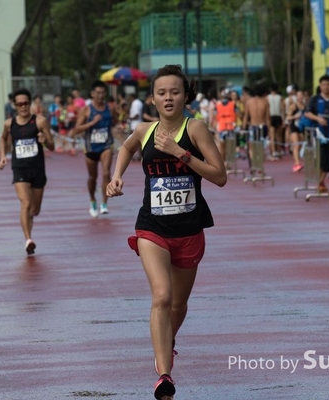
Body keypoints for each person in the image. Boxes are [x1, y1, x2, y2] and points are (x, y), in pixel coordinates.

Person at [106, 64, 226, 400]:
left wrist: (180, 153)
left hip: (189, 230)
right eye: (162, 93)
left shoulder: (196, 128)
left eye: (175, 91)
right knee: (162, 296)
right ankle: (164, 376)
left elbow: (220, 176)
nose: (168, 97)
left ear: (185, 95)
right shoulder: (144, 130)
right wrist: (117, 177)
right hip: (152, 227)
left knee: (178, 304)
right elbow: (127, 148)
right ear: (153, 98)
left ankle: (166, 345)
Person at [0, 88, 55, 256]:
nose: (23, 106)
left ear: (30, 104)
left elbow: (52, 145)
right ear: (14, 105)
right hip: (19, 168)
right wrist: (2, 156)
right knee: (25, 203)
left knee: (34, 210)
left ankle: (29, 223)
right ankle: (28, 239)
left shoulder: (40, 121)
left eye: (26, 103)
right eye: (19, 104)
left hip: (37, 169)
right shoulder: (9, 124)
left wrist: (45, 142)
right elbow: (2, 138)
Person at [74, 80, 117, 217]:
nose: (100, 96)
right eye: (98, 93)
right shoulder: (86, 110)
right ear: (92, 94)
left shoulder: (110, 108)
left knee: (106, 173)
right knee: (93, 177)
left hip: (106, 145)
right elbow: (77, 129)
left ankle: (104, 203)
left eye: (103, 93)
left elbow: (114, 122)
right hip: (91, 147)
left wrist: (118, 128)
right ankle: (93, 200)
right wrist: (92, 122)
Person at [305, 75, 329, 192]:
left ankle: (321, 181)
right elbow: (307, 113)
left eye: (328, 84)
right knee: (320, 157)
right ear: (320, 86)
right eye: (323, 85)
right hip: (318, 134)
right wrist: (318, 119)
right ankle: (319, 182)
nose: (326, 87)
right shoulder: (315, 99)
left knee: (328, 159)